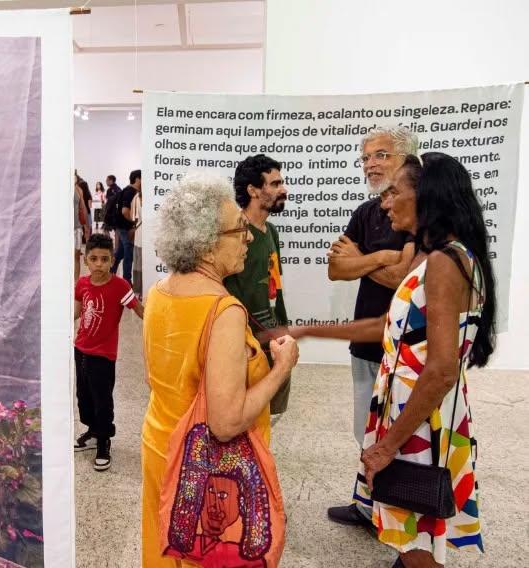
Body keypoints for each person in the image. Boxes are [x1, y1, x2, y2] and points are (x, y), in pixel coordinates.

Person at [292, 153, 495, 567]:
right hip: (416, 416)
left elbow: (440, 369)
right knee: (414, 537)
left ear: (425, 196)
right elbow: (391, 327)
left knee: (417, 536)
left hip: (420, 424)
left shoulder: (442, 263)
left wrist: (387, 446)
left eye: (395, 192)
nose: (385, 204)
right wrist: (311, 329)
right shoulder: (438, 257)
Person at [141, 172, 299, 567]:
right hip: (204, 473)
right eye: (238, 230)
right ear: (208, 246)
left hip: (161, 450)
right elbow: (225, 423)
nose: (248, 237)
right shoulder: (223, 311)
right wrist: (281, 368)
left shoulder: (158, 294)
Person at [326, 126, 418, 527]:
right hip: (366, 341)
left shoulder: (418, 211)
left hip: (404, 346)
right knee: (363, 428)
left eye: (379, 155)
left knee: (398, 435)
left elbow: (407, 279)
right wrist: (380, 255)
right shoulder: (365, 212)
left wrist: (361, 257)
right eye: (365, 157)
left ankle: (396, 514)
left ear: (405, 159)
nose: (370, 164)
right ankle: (368, 504)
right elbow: (335, 268)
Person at [224, 154, 292, 416]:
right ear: (252, 190)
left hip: (275, 340)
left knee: (268, 418)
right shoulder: (233, 234)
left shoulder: (271, 231)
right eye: (274, 184)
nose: (283, 190)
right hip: (244, 347)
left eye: (281, 183)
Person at [74, 233, 143, 471]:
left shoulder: (120, 286)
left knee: (102, 399)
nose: (99, 264)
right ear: (86, 260)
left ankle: (104, 440)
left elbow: (140, 310)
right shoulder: (82, 283)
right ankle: (93, 432)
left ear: (113, 260)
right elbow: (76, 311)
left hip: (103, 355)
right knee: (83, 396)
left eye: (105, 259)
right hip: (80, 349)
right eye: (94, 259)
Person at [111, 169, 141, 284]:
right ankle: (127, 281)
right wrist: (134, 224)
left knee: (121, 252)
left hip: (123, 226)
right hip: (125, 227)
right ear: (138, 179)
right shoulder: (130, 192)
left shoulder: (131, 191)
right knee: (128, 253)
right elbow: (125, 211)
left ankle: (111, 270)